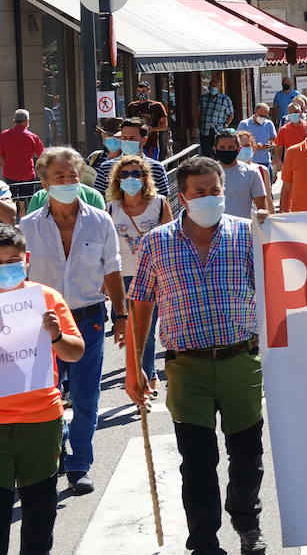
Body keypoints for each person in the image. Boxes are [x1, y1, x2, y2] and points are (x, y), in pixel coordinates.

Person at [126, 157, 268, 555]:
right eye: (199, 192)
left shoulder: (248, 234)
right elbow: (141, 305)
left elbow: (280, 288)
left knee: (247, 456)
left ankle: (247, 523)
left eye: (215, 190)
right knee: (197, 462)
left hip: (241, 361)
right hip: (186, 366)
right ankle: (204, 541)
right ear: (183, 196)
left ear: (224, 190)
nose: (209, 198)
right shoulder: (158, 241)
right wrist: (135, 366)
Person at [20, 147, 126, 495]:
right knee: (48, 393)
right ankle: (54, 455)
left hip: (88, 318)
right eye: (58, 177)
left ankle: (80, 463)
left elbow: (112, 269)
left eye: (71, 176)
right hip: (39, 323)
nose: (67, 182)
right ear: (44, 182)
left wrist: (121, 317)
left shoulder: (100, 219)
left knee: (85, 396)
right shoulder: (28, 227)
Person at [0, 223, 84, 555]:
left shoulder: (47, 298)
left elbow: (75, 351)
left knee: (39, 512)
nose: (7, 267)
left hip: (42, 420)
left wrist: (55, 335)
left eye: (13, 260)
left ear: (27, 259)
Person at [105, 152, 171, 398]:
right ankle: (136, 372)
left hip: (151, 276)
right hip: (121, 277)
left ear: (145, 178)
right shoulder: (111, 208)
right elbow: (105, 246)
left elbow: (169, 240)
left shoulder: (159, 203)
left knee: (147, 328)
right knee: (126, 329)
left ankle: (147, 374)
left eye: (136, 174)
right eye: (125, 174)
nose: (130, 178)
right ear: (117, 179)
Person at [94, 118, 171, 196]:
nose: (127, 142)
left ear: (143, 140)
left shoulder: (157, 168)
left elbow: (164, 203)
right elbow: (97, 199)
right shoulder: (106, 167)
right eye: (124, 138)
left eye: (132, 138)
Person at [207, 130, 269, 220]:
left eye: (231, 147)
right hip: (214, 230)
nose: (226, 150)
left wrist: (263, 214)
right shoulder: (207, 174)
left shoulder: (252, 173)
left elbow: (262, 207)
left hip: (243, 230)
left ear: (238, 149)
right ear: (215, 149)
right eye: (222, 147)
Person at [0, 110, 44, 209]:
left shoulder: (4, 135)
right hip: (27, 175)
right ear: (27, 121)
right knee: (26, 198)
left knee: (11, 198)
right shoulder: (32, 137)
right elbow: (42, 155)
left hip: (9, 174)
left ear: (14, 121)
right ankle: (23, 211)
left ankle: (13, 215)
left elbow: (0, 156)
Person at [126, 81, 169, 160]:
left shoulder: (157, 106)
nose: (141, 93)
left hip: (151, 145)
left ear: (149, 91)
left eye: (143, 91)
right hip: (134, 145)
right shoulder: (132, 106)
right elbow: (127, 125)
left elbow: (164, 126)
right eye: (139, 91)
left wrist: (152, 129)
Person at [237, 103, 278, 183]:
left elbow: (274, 140)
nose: (263, 118)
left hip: (265, 161)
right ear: (255, 112)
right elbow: (238, 142)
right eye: (261, 115)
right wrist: (255, 146)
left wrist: (270, 144)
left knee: (267, 189)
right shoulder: (244, 124)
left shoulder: (269, 124)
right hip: (249, 162)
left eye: (265, 116)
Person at [197, 78, 234, 155]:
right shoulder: (203, 98)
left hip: (218, 130)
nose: (213, 88)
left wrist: (226, 124)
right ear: (209, 87)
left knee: (218, 152)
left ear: (219, 88)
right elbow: (198, 112)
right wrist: (197, 125)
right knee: (206, 152)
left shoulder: (225, 99)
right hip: (205, 129)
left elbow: (231, 114)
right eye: (212, 86)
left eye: (215, 86)